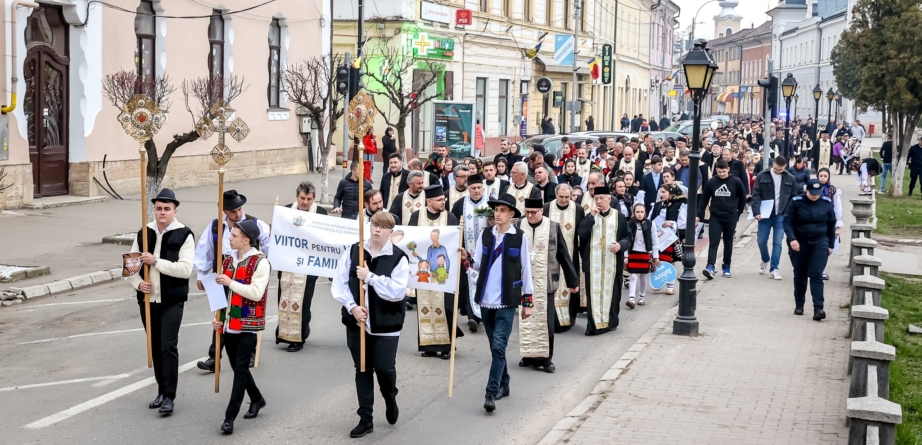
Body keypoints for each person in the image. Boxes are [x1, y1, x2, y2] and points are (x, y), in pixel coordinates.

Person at [332, 211, 408, 438]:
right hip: (357, 323)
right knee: (363, 368)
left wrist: (370, 277)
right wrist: (353, 306)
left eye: (382, 227)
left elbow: (397, 292)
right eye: (374, 224)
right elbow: (339, 284)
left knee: (384, 369)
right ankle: (365, 419)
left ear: (390, 232)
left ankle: (390, 396)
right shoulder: (354, 251)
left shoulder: (398, 258)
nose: (376, 229)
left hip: (386, 324)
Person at [128, 189, 194, 415]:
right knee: (154, 347)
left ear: (175, 210)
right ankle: (161, 390)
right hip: (147, 300)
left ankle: (170, 396)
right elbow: (130, 268)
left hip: (171, 300)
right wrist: (139, 285)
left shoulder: (184, 234)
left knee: (167, 346)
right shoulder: (143, 233)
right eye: (158, 208)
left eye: (167, 209)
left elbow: (185, 270)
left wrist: (156, 261)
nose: (162, 212)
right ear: (154, 209)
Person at [467, 193, 533, 412]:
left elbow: (526, 269)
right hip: (486, 300)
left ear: (512, 215)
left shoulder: (519, 237)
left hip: (507, 300)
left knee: (498, 346)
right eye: (496, 210)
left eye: (502, 210)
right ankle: (504, 383)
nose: (497, 213)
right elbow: (476, 263)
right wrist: (465, 259)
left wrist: (528, 301)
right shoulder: (485, 234)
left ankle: (491, 392)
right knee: (495, 349)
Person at [194, 190, 270, 373]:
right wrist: (201, 275)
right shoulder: (215, 227)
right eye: (233, 211)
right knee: (221, 314)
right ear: (224, 211)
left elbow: (269, 246)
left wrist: (264, 267)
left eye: (239, 209)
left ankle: (248, 351)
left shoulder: (254, 223)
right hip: (222, 276)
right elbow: (204, 251)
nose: (238, 214)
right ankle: (215, 356)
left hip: (246, 275)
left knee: (243, 311)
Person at [214, 220, 270, 434]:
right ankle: (257, 399)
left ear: (246, 240)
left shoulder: (260, 263)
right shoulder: (228, 260)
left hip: (248, 321)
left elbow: (256, 293)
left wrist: (230, 283)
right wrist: (218, 317)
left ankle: (229, 417)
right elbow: (221, 293)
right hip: (230, 320)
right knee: (239, 368)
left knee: (239, 370)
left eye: (234, 235)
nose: (230, 238)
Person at [515, 198, 579, 373]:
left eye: (533, 212)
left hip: (546, 282)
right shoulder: (519, 225)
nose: (530, 215)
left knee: (546, 321)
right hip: (524, 284)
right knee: (526, 319)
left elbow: (564, 255)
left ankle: (545, 358)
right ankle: (528, 355)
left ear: (541, 211)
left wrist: (573, 282)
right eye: (527, 212)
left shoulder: (552, 227)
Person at [408, 185, 463, 359]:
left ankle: (447, 346)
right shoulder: (417, 216)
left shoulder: (450, 217)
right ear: (429, 201)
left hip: (443, 273)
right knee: (425, 308)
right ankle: (429, 346)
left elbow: (455, 241)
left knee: (445, 307)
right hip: (423, 270)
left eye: (443, 199)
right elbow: (411, 240)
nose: (443, 202)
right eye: (439, 200)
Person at [276, 182, 328, 352]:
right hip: (287, 265)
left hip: (307, 267)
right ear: (297, 197)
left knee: (303, 304)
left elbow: (324, 240)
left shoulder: (320, 213)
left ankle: (299, 338)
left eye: (309, 199)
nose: (305, 202)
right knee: (283, 301)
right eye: (303, 198)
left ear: (313, 199)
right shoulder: (286, 211)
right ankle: (283, 333)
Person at [577, 186, 631, 336]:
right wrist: (591, 217)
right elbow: (581, 234)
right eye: (596, 199)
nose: (599, 201)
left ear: (609, 199)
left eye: (602, 198)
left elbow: (628, 237)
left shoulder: (618, 216)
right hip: (593, 264)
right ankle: (594, 326)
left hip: (612, 263)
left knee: (613, 295)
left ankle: (610, 323)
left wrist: (621, 246)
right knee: (593, 295)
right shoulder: (590, 216)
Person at [783, 179, 837, 321]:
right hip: (799, 243)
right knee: (800, 274)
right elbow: (787, 221)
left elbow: (831, 224)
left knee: (816, 274)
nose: (814, 196)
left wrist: (831, 245)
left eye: (817, 193)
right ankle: (799, 304)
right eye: (812, 193)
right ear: (806, 190)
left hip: (820, 242)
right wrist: (792, 239)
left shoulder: (825, 203)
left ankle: (818, 308)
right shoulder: (796, 202)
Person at [451, 174, 489, 332]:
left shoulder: (490, 204)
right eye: (473, 188)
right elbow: (453, 225)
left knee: (484, 283)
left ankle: (483, 314)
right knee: (467, 285)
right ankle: (473, 316)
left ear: (483, 188)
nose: (476, 191)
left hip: (486, 253)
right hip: (466, 252)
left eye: (479, 187)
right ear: (468, 189)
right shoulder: (460, 204)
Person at [545, 184, 586, 331]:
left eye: (567, 197)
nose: (563, 200)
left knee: (569, 287)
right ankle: (552, 320)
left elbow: (581, 232)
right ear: (556, 195)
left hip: (571, 255)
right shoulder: (547, 208)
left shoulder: (578, 209)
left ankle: (568, 319)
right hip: (551, 257)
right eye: (561, 197)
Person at [697, 160, 747, 279]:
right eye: (719, 172)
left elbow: (742, 198)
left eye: (723, 172)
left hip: (730, 217)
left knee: (728, 243)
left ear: (728, 169)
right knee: (714, 242)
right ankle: (710, 266)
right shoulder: (712, 182)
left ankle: (726, 266)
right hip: (716, 217)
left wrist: (738, 213)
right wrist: (699, 214)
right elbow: (704, 198)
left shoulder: (736, 181)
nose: (721, 174)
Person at [751, 156, 797, 280]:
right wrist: (756, 211)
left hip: (781, 215)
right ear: (773, 164)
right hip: (765, 214)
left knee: (778, 242)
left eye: (780, 169)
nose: (777, 171)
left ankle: (774, 268)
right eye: (775, 169)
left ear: (785, 167)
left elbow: (794, 197)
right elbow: (756, 195)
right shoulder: (762, 175)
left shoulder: (790, 178)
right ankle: (765, 259)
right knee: (761, 241)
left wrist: (789, 214)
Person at [651, 183, 687, 295]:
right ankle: (658, 281)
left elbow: (683, 223)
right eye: (661, 192)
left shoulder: (681, 204)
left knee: (670, 261)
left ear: (671, 192)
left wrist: (671, 223)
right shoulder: (657, 205)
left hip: (670, 237)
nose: (661, 194)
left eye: (664, 192)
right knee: (657, 260)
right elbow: (650, 218)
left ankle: (670, 286)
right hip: (658, 237)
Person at [624, 203, 659, 309]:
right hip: (633, 253)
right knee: (633, 275)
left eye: (641, 212)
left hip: (645, 253)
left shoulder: (650, 224)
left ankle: (641, 297)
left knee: (643, 276)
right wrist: (626, 256)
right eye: (637, 212)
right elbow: (626, 240)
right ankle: (631, 299)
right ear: (634, 213)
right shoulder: (630, 224)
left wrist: (655, 256)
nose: (639, 214)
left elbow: (655, 240)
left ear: (645, 213)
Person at [816, 168, 844, 280]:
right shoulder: (812, 188)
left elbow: (837, 207)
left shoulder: (833, 191)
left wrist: (838, 226)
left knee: (827, 247)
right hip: (814, 222)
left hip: (828, 222)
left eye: (825, 176)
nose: (823, 178)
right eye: (821, 176)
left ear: (828, 177)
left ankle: (821, 268)